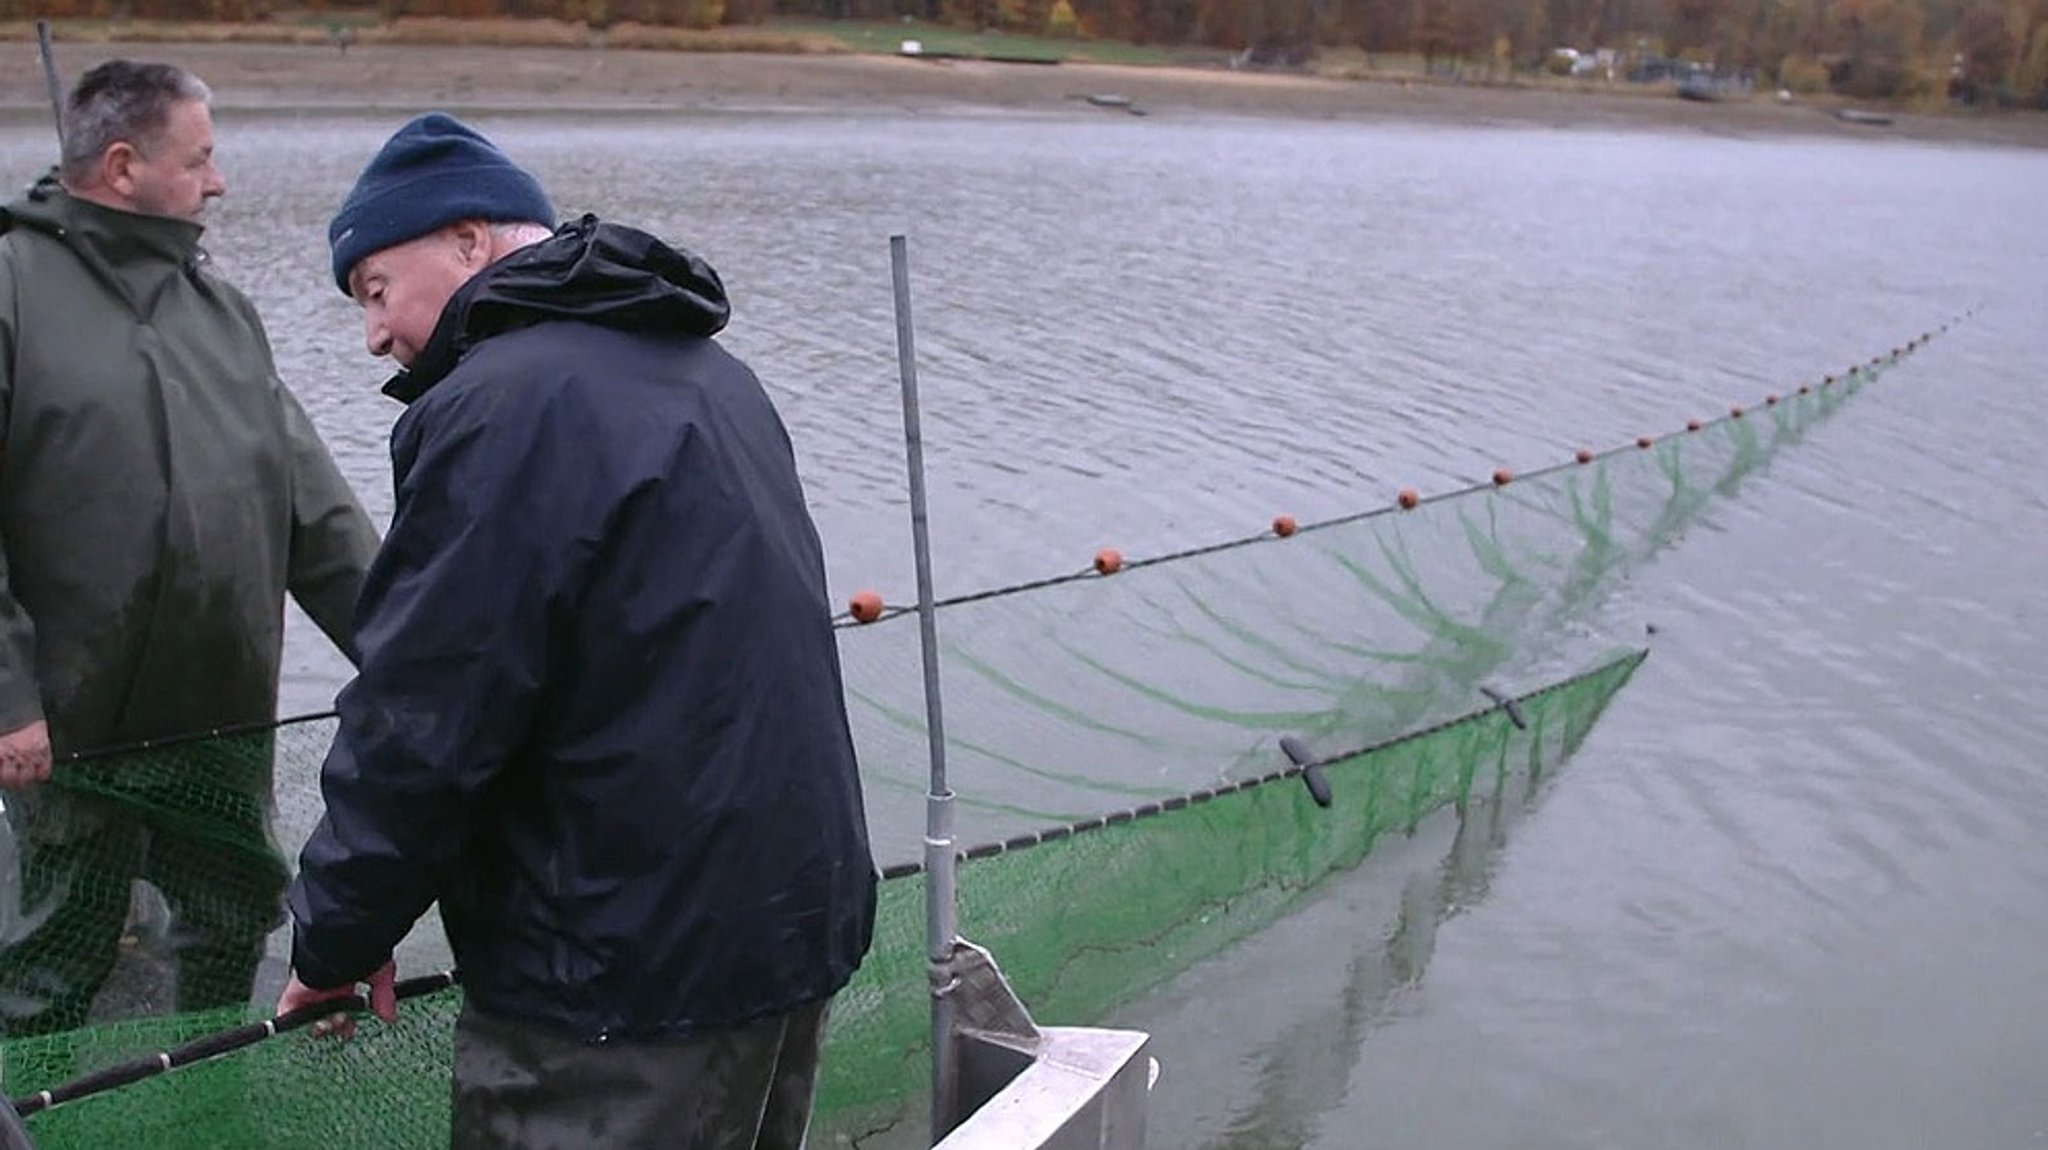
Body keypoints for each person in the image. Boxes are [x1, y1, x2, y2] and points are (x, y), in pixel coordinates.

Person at [278, 113, 877, 1150]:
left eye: (374, 290)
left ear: (468, 240)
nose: (374, 333)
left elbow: (424, 719)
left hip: (617, 984)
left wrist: (336, 935)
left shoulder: (497, 404)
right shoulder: (708, 371)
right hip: (788, 935)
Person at [0, 60, 378, 1035]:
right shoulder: (9, 290)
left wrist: (415, 660)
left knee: (228, 925)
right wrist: (8, 701)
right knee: (53, 953)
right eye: (201, 159)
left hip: (220, 720)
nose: (218, 183)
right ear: (123, 166)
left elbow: (318, 513)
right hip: (72, 731)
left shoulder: (221, 311)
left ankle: (210, 1121)